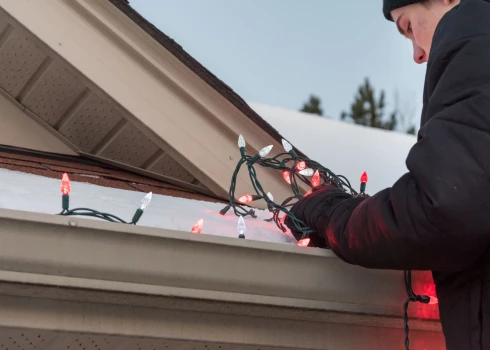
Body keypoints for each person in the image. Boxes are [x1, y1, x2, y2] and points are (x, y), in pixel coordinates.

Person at [285, 0, 490, 348]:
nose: (417, 54)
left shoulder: (477, 50)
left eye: (409, 27)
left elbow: (443, 210)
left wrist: (330, 212)